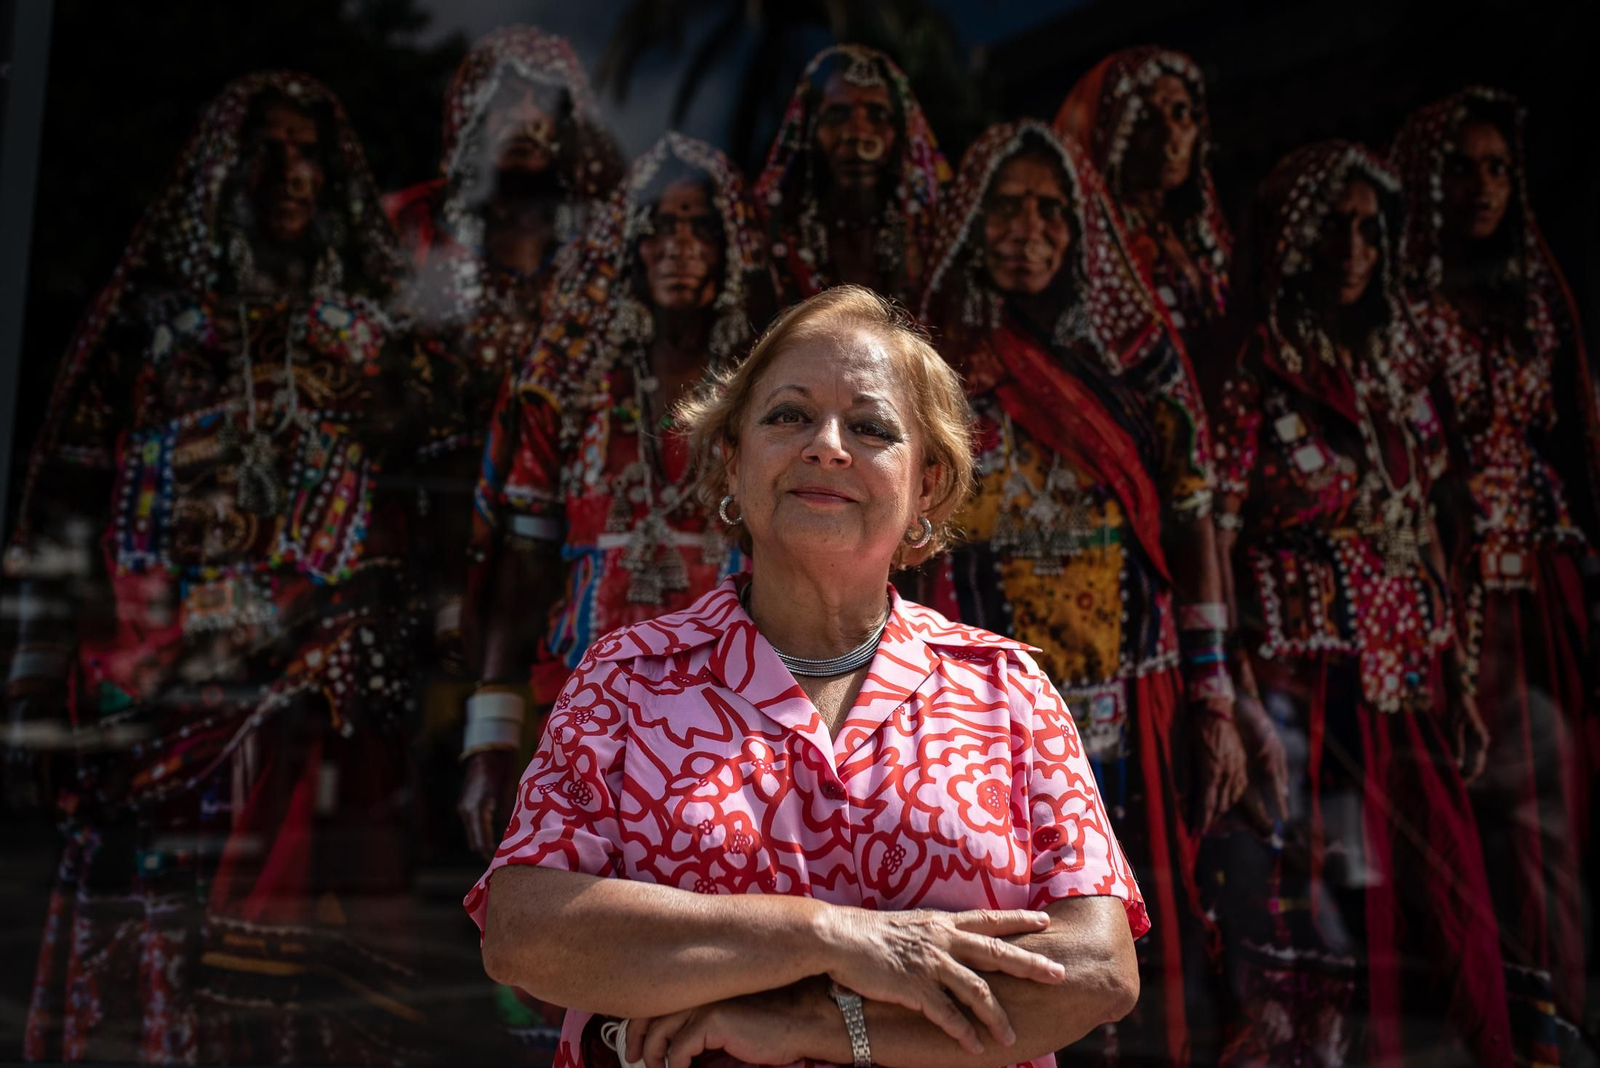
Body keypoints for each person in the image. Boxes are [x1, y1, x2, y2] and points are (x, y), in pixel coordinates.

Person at [466, 284, 1146, 1068]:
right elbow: (525, 932)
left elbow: (1097, 971)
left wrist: (812, 1025)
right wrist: (830, 936)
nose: (827, 446)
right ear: (733, 460)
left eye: (870, 427)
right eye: (787, 416)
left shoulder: (1005, 690)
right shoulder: (626, 680)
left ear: (926, 485)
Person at [3, 72, 428, 1063]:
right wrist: (29, 676)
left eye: (308, 151)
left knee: (283, 990)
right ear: (220, 174)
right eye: (266, 149)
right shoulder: (147, 326)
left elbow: (408, 521)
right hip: (139, 705)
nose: (289, 172)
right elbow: (63, 497)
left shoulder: (366, 344)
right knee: (148, 937)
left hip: (298, 716)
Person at [919, 119, 1247, 1068]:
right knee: (994, 943)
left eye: (1050, 210)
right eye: (1007, 208)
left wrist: (1216, 693)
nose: (1029, 228)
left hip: (1130, 690)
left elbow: (1193, 522)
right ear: (972, 226)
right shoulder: (938, 366)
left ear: (1082, 230)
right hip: (971, 708)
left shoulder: (1141, 364)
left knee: (1125, 943)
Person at [1206, 140, 1511, 1066]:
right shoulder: (1254, 365)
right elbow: (1215, 523)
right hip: (1302, 676)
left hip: (1402, 671)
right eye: (1330, 228)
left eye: (1367, 230)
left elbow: (1425, 521)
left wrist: (1458, 674)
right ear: (1290, 241)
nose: (1351, 248)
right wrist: (1232, 678)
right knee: (1327, 899)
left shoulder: (1392, 363)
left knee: (1444, 878)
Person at [458, 134, 770, 860]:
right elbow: (523, 571)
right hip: (582, 705)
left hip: (734, 716)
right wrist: (491, 741)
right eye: (660, 226)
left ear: (730, 251)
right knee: (574, 929)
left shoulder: (767, 395)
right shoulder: (569, 385)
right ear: (629, 247)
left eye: (700, 227)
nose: (678, 246)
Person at [1390, 87, 1598, 1060]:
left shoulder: (1531, 306)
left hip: (1543, 589)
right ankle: (1504, 1012)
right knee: (1480, 810)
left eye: (1496, 169)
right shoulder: (1403, 319)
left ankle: (1560, 1001)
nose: (1480, 188)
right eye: (1459, 169)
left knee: (1558, 800)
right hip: (1459, 602)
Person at [386, 24, 622, 675]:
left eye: (538, 103)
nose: (522, 118)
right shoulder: (414, 228)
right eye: (504, 101)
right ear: (471, 118)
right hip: (431, 527)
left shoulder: (609, 243)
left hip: (560, 541)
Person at [1055, 47, 1231, 361]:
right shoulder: (1092, 253)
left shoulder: (1198, 234)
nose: (1171, 136)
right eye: (1146, 118)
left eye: (1181, 113)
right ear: (1110, 134)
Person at [754, 44, 949, 308]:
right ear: (808, 131)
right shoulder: (768, 227)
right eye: (837, 115)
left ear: (904, 133)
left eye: (878, 115)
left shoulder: (935, 232)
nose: (858, 134)